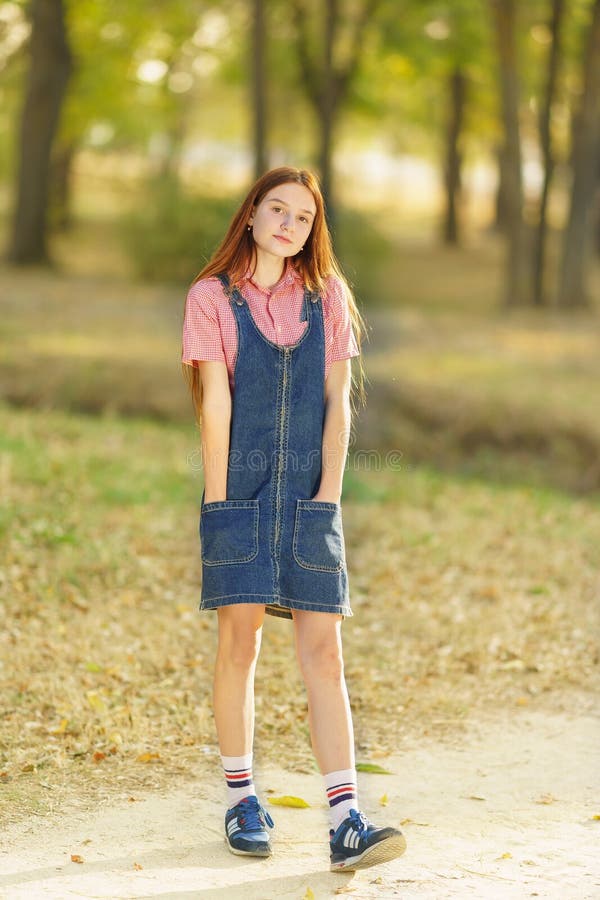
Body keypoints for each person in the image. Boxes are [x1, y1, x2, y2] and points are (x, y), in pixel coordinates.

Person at [181, 166, 406, 872]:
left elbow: (340, 404)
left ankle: (347, 820)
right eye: (276, 209)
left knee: (324, 653)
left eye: (302, 217)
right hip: (241, 494)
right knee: (239, 647)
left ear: (313, 231)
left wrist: (329, 496)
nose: (288, 223)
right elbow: (214, 401)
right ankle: (242, 799)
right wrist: (221, 502)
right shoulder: (209, 297)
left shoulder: (328, 296)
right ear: (250, 215)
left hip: (312, 497)